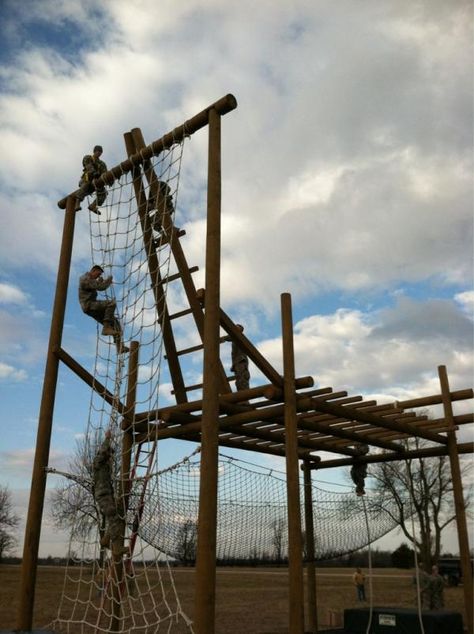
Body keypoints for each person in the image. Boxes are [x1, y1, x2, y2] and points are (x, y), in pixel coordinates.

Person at [92, 431, 128, 557]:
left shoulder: (105, 467)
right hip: (102, 495)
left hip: (106, 495)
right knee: (114, 517)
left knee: (114, 516)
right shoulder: (98, 461)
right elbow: (102, 452)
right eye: (110, 454)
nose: (111, 458)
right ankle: (116, 548)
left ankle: (106, 540)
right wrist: (107, 439)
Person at [78, 265, 129, 354]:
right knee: (111, 303)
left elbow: (96, 285)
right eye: (97, 274)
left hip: (92, 307)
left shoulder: (90, 279)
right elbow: (101, 287)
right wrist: (109, 280)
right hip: (89, 305)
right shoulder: (85, 278)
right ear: (93, 271)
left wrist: (100, 281)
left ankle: (119, 347)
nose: (98, 276)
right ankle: (106, 328)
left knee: (115, 324)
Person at [76, 145, 108, 213]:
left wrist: (108, 179)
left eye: (100, 152)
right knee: (85, 185)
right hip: (86, 179)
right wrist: (94, 172)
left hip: (95, 182)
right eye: (98, 151)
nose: (99, 153)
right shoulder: (88, 158)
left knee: (103, 193)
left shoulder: (102, 164)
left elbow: (105, 173)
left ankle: (93, 206)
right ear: (94, 151)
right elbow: (88, 166)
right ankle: (77, 203)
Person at [231, 324, 250, 392]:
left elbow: (228, 338)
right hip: (237, 361)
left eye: (237, 328)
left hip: (241, 360)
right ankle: (241, 392)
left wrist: (222, 338)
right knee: (238, 378)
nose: (234, 329)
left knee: (242, 377)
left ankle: (244, 393)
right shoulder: (234, 338)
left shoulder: (239, 336)